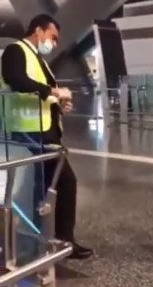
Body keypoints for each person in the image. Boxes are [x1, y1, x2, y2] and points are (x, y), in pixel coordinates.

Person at [1, 14, 93, 259]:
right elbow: (16, 81)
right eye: (52, 36)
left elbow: (38, 92)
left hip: (43, 131)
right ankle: (62, 241)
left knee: (44, 186)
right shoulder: (15, 50)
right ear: (38, 30)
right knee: (65, 182)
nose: (53, 42)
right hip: (29, 132)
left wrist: (58, 103)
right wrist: (53, 90)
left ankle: (45, 240)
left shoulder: (37, 58)